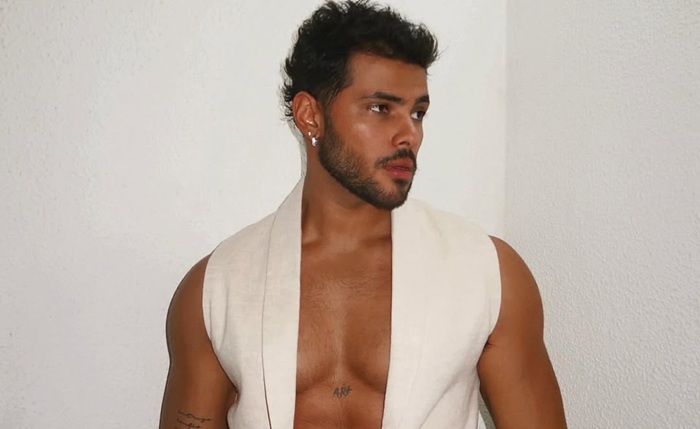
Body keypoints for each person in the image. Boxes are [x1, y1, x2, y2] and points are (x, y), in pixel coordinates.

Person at [159, 1, 567, 428]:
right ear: (310, 116)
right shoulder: (216, 288)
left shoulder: (487, 274)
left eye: (417, 112)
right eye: (380, 108)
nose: (409, 134)